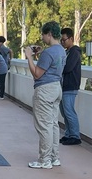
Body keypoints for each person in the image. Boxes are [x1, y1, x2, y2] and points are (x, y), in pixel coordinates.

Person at [23, 21, 65, 169]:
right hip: (56, 88)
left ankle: (44, 160)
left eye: (43, 34)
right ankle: (54, 157)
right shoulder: (61, 50)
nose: (42, 37)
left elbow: (37, 74)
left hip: (45, 90)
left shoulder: (48, 53)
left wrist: (29, 57)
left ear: (49, 34)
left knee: (44, 126)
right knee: (53, 124)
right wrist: (39, 54)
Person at [59, 28, 82, 145]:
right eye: (61, 40)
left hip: (70, 86)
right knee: (64, 112)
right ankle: (68, 134)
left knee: (69, 111)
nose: (62, 42)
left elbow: (68, 68)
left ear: (71, 38)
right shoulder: (67, 52)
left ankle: (75, 136)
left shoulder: (74, 52)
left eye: (64, 40)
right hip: (63, 86)